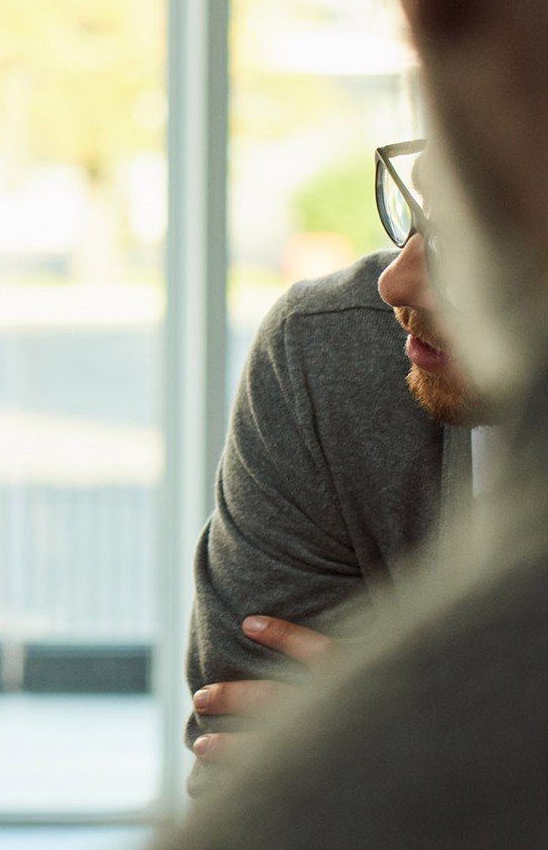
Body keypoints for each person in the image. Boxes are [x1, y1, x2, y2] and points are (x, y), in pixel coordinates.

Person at [158, 0, 548, 843]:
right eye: (421, 189)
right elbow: (235, 760)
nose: (398, 276)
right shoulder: (327, 366)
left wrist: (389, 739)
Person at [184, 139, 478, 791]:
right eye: (420, 213)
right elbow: (247, 787)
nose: (396, 280)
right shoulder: (324, 351)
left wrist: (432, 747)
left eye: (469, 244)